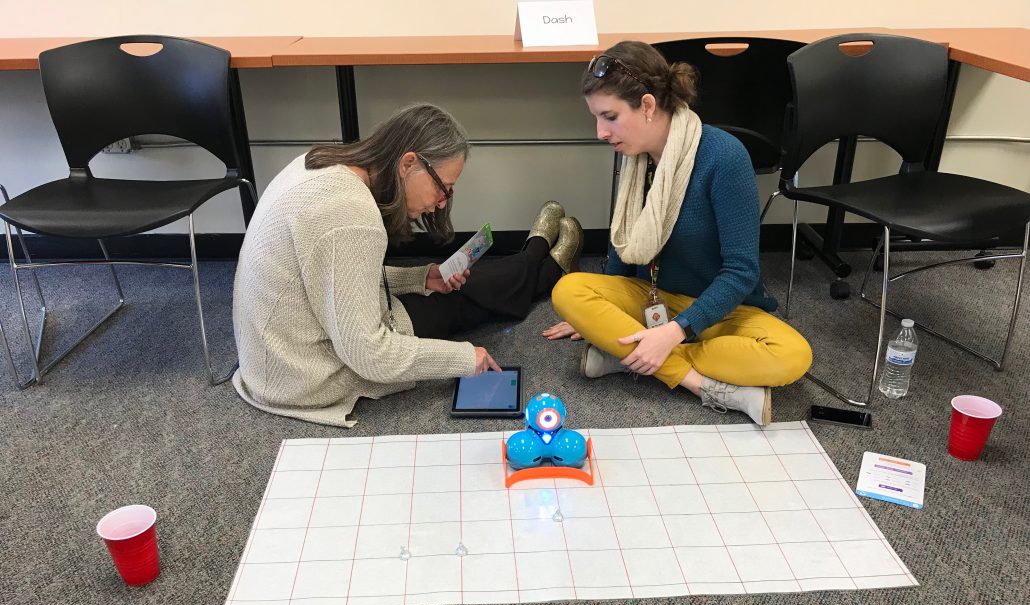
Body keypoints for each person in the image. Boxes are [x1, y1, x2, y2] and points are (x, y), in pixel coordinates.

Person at [232, 103, 583, 427]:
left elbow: (331, 276)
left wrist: (420, 278)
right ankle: (540, 262)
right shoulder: (351, 216)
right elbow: (368, 353)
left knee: (453, 284)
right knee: (467, 297)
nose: (441, 203)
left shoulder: (321, 164)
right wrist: (464, 358)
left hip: (279, 354)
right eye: (443, 188)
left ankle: (539, 259)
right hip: (303, 376)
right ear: (408, 163)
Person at [544, 41, 812, 425]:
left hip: (721, 308)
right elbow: (626, 247)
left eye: (610, 117)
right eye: (596, 118)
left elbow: (741, 272)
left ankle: (627, 357)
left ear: (648, 106)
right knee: (567, 291)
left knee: (792, 356)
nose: (601, 132)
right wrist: (600, 310)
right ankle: (700, 384)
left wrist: (674, 331)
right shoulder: (636, 159)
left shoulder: (724, 156)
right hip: (654, 298)